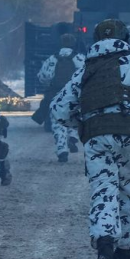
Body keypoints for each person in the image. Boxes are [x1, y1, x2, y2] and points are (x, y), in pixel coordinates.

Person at [50, 18, 130, 259]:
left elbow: (59, 110)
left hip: (97, 137)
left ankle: (105, 245)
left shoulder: (85, 68)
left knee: (103, 190)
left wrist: (84, 121)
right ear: (126, 39)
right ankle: (126, 249)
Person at [37, 33, 84, 162]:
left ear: (60, 43)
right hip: (74, 95)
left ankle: (62, 150)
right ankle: (73, 137)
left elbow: (43, 77)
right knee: (74, 117)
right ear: (73, 44)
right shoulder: (80, 59)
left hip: (56, 95)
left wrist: (49, 85)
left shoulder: (52, 59)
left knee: (58, 124)